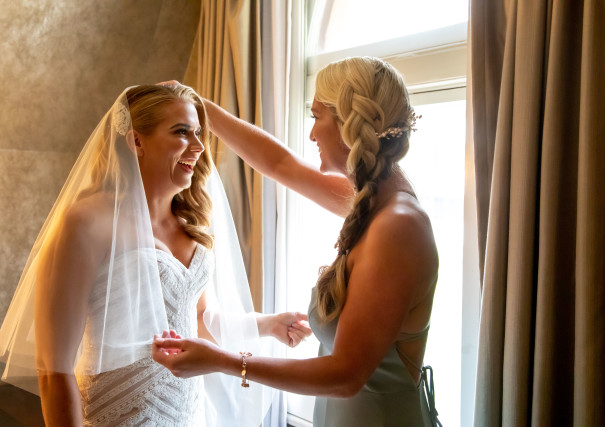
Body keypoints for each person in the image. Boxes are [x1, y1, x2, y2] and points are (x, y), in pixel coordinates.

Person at [0, 84, 311, 427]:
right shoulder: (89, 223)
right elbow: (53, 368)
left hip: (189, 416)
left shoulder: (192, 226)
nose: (199, 146)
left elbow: (198, 321)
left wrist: (268, 325)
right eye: (181, 132)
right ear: (136, 141)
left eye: (198, 133)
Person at [153, 56, 442, 427]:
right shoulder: (373, 200)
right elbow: (281, 165)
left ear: (348, 124)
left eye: (316, 116)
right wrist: (199, 107)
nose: (312, 134)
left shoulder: (397, 226)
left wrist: (222, 360)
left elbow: (345, 376)